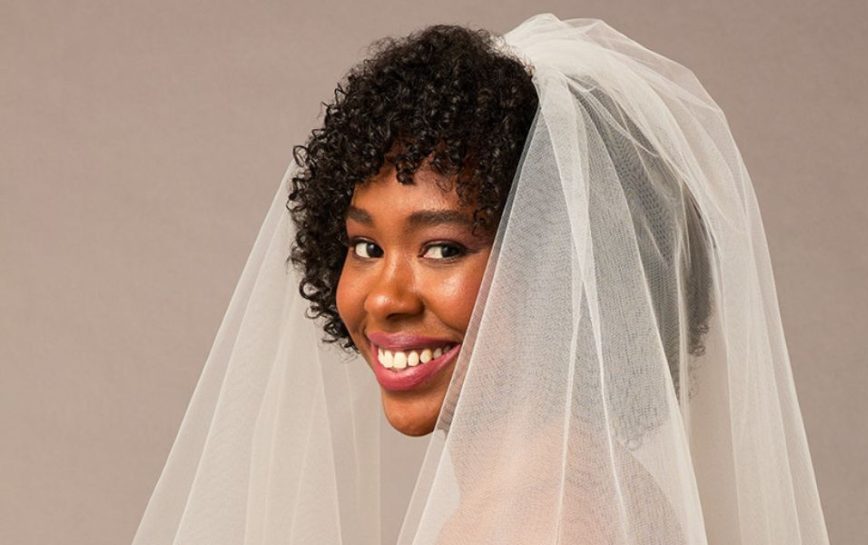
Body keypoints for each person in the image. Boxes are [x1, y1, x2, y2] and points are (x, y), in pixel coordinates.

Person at [131, 13, 831, 545]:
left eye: (441, 248)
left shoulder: (547, 518)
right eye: (365, 245)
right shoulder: (573, 492)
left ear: (565, 265)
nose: (384, 297)